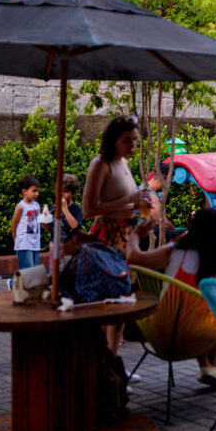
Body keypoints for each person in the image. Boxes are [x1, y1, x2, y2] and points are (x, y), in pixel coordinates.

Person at [125, 207, 216, 388]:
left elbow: (133, 257)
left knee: (183, 314)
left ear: (193, 228)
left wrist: (136, 235)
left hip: (160, 331)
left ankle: (208, 368)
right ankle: (210, 367)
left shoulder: (175, 251)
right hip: (198, 337)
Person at [83, 115, 152, 353]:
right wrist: (129, 200)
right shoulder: (100, 164)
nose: (132, 146)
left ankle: (113, 364)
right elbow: (88, 210)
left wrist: (136, 211)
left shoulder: (124, 163)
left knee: (123, 301)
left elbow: (121, 204)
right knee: (108, 303)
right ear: (113, 140)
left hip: (126, 235)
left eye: (135, 140)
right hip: (107, 238)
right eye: (127, 141)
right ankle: (103, 365)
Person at [10, 176, 42, 271]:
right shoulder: (21, 207)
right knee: (28, 270)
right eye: (34, 191)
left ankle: (15, 283)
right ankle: (12, 283)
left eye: (37, 191)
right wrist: (17, 242)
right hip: (24, 243)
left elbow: (38, 222)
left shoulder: (37, 205)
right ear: (24, 191)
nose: (37, 194)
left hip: (35, 243)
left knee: (34, 271)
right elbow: (14, 225)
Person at [60, 173, 84, 241]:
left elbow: (74, 226)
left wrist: (64, 208)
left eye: (65, 191)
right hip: (55, 243)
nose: (61, 194)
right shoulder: (55, 208)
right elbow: (50, 228)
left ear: (74, 193)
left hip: (71, 244)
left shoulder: (76, 208)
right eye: (59, 191)